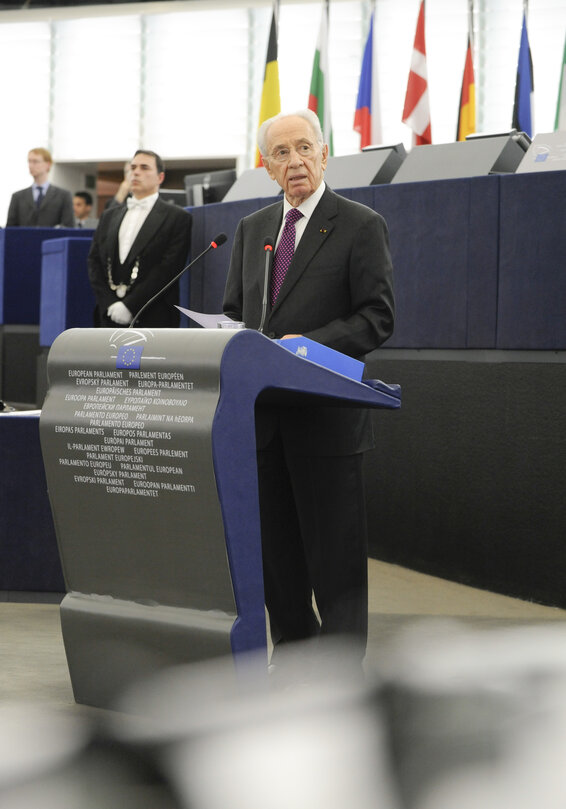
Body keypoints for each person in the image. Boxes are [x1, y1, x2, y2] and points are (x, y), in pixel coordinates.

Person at [223, 109, 395, 670]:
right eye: (281, 153)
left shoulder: (359, 224)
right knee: (279, 563)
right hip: (263, 425)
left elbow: (377, 318)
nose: (294, 161)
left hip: (326, 421)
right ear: (267, 167)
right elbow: (235, 315)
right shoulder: (252, 231)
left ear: (325, 154)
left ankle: (341, 678)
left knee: (335, 564)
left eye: (304, 148)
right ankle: (294, 660)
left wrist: (307, 344)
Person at [88, 149, 192, 328]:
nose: (135, 172)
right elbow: (94, 262)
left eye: (144, 168)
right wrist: (110, 304)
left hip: (153, 317)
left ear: (160, 177)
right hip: (108, 317)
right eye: (133, 167)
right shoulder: (108, 216)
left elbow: (168, 269)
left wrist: (130, 306)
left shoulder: (177, 217)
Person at [6, 147, 74, 228]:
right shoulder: (18, 197)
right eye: (29, 161)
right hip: (24, 240)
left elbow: (68, 226)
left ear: (48, 165)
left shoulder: (63, 196)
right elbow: (10, 228)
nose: (30, 165)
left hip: (52, 239)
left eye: (35, 161)